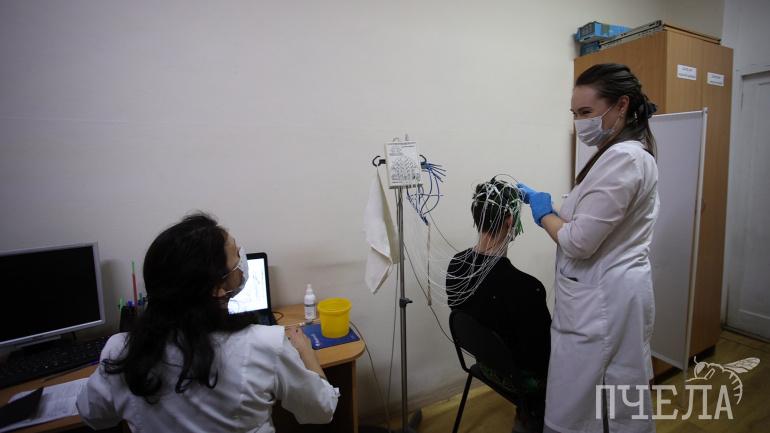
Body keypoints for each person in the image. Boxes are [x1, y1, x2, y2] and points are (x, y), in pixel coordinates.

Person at [76, 213, 338, 432]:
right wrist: (306, 352)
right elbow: (322, 409)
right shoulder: (266, 345)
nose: (242, 259)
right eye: (236, 255)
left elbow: (93, 415)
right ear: (217, 289)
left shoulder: (120, 351)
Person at [518, 63, 659, 433]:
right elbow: (590, 220)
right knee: (604, 394)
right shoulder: (612, 156)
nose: (579, 123)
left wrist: (544, 214)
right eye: (574, 114)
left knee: (597, 400)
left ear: (621, 105)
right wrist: (555, 210)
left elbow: (578, 241)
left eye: (586, 112)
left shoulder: (625, 159)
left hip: (604, 301)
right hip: (602, 294)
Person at [446, 177, 551, 433]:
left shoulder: (456, 265)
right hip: (516, 380)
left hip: (485, 364)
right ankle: (531, 418)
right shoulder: (527, 289)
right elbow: (542, 361)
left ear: (477, 214)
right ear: (510, 220)